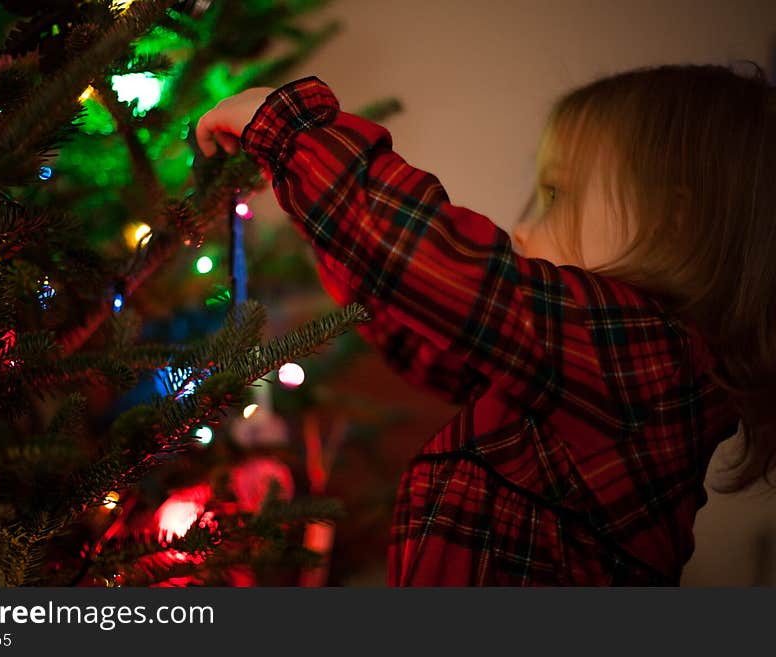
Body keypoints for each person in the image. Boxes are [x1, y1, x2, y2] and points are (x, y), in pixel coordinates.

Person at [195, 63, 775, 586]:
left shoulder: (647, 363)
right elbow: (425, 333)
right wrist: (318, 210)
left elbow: (442, 269)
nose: (521, 231)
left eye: (555, 196)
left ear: (671, 224)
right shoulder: (574, 381)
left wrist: (289, 131)